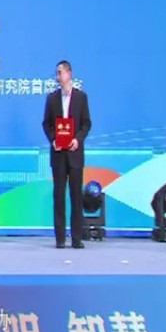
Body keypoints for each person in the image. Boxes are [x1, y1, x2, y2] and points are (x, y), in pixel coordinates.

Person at [42, 60, 92, 249]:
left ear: (69, 74)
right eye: (56, 73)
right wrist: (53, 139)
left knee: (76, 196)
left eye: (60, 72)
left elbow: (86, 123)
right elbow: (46, 124)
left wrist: (77, 139)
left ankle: (77, 238)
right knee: (59, 196)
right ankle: (60, 238)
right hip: (58, 155)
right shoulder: (52, 99)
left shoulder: (81, 98)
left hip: (75, 153)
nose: (58, 77)